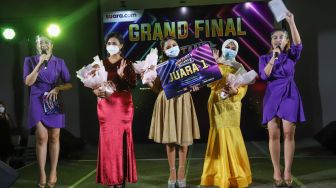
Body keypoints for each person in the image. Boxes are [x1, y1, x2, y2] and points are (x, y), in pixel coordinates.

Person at [146, 36, 200, 188]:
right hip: (167, 101)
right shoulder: (159, 66)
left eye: (174, 45)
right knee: (170, 139)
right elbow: (156, 88)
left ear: (178, 46)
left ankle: (182, 171)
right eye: (168, 46)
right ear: (163, 50)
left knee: (183, 137)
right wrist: (148, 79)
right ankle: (172, 172)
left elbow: (195, 82)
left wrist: (195, 86)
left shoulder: (187, 63)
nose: (172, 48)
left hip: (183, 100)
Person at [258, 11, 305, 187]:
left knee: (288, 133)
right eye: (275, 37)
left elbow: (299, 44)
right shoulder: (264, 58)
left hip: (290, 94)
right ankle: (276, 170)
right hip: (271, 96)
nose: (278, 39)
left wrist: (291, 23)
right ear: (271, 41)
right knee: (274, 134)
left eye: (281, 37)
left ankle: (287, 171)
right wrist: (273, 58)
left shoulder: (292, 55)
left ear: (286, 41)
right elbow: (264, 75)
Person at [200, 39, 252, 188]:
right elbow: (208, 83)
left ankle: (237, 175)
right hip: (216, 103)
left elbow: (244, 88)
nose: (230, 49)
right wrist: (213, 65)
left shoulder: (239, 67)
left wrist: (235, 91)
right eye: (227, 46)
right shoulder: (217, 62)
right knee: (218, 133)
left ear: (236, 50)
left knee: (232, 134)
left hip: (233, 106)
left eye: (233, 47)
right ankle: (217, 175)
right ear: (223, 48)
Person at [23, 35, 72, 188]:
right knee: (41, 136)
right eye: (39, 43)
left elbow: (69, 83)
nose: (43, 45)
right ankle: (42, 173)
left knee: (54, 137)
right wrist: (39, 64)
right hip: (36, 98)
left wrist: (57, 88)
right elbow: (28, 82)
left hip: (52, 99)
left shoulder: (60, 62)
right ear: (37, 46)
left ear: (52, 45)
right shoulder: (29, 60)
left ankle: (53, 171)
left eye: (46, 42)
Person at [93, 32, 137, 188]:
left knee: (121, 141)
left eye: (114, 43)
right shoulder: (100, 64)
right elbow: (94, 85)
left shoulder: (127, 62)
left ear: (121, 46)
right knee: (108, 143)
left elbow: (133, 84)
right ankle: (110, 180)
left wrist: (121, 76)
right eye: (108, 43)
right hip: (105, 106)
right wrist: (95, 91)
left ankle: (121, 179)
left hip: (123, 106)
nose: (111, 46)